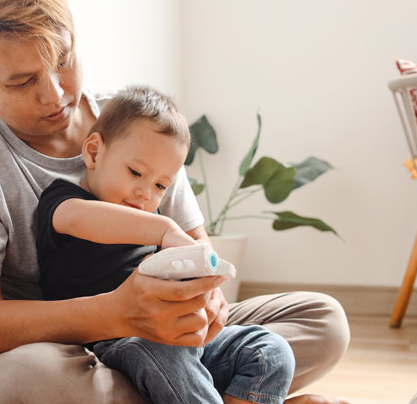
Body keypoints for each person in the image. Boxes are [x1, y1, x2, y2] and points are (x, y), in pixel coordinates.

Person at [0, 0, 351, 404]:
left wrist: (205, 303)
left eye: (63, 61)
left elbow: (196, 246)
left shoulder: (133, 125)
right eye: (23, 80)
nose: (55, 93)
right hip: (57, 352)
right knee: (20, 383)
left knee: (323, 320)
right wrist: (117, 314)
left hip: (165, 333)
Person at [36, 86, 296, 404]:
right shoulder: (64, 201)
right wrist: (164, 229)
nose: (146, 194)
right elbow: (80, 218)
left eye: (161, 185)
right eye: (135, 172)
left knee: (271, 350)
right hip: (115, 342)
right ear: (93, 153)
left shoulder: (152, 217)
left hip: (177, 336)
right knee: (158, 351)